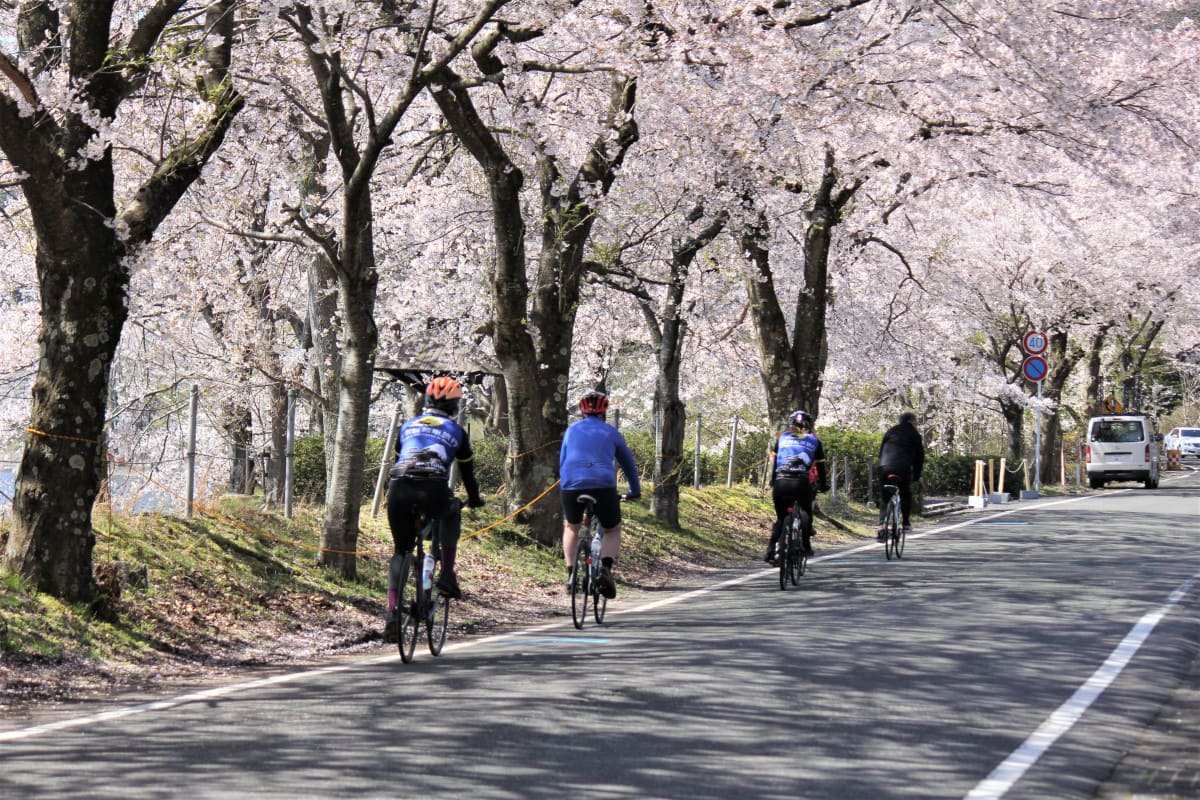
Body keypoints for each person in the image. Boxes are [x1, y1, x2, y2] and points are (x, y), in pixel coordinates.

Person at [386, 376, 484, 621]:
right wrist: (474, 499)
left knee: (401, 550)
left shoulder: (408, 425)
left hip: (399, 487)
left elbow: (398, 460)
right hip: (433, 487)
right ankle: (447, 575)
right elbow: (467, 474)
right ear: (454, 407)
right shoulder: (457, 432)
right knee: (452, 510)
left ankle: (392, 611)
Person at [559, 389, 641, 600]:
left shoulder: (570, 431)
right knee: (612, 529)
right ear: (605, 411)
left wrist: (566, 484)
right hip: (603, 485)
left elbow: (563, 460)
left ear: (581, 411)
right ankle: (605, 569)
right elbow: (628, 464)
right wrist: (634, 491)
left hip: (571, 484)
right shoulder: (611, 432)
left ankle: (570, 575)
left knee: (571, 526)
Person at [767, 410, 827, 562]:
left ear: (791, 424)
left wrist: (773, 480)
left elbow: (775, 462)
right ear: (809, 425)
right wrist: (824, 485)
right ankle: (806, 546)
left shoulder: (782, 438)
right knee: (806, 512)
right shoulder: (814, 440)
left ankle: (770, 552)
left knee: (781, 518)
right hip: (800, 483)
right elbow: (820, 467)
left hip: (781, 482)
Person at [876, 410, 925, 541]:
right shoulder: (915, 434)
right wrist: (916, 476)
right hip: (902, 468)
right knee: (905, 493)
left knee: (885, 497)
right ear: (912, 421)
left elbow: (881, 452)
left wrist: (881, 467)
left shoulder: (891, 431)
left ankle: (881, 527)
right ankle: (906, 523)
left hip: (885, 466)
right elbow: (919, 458)